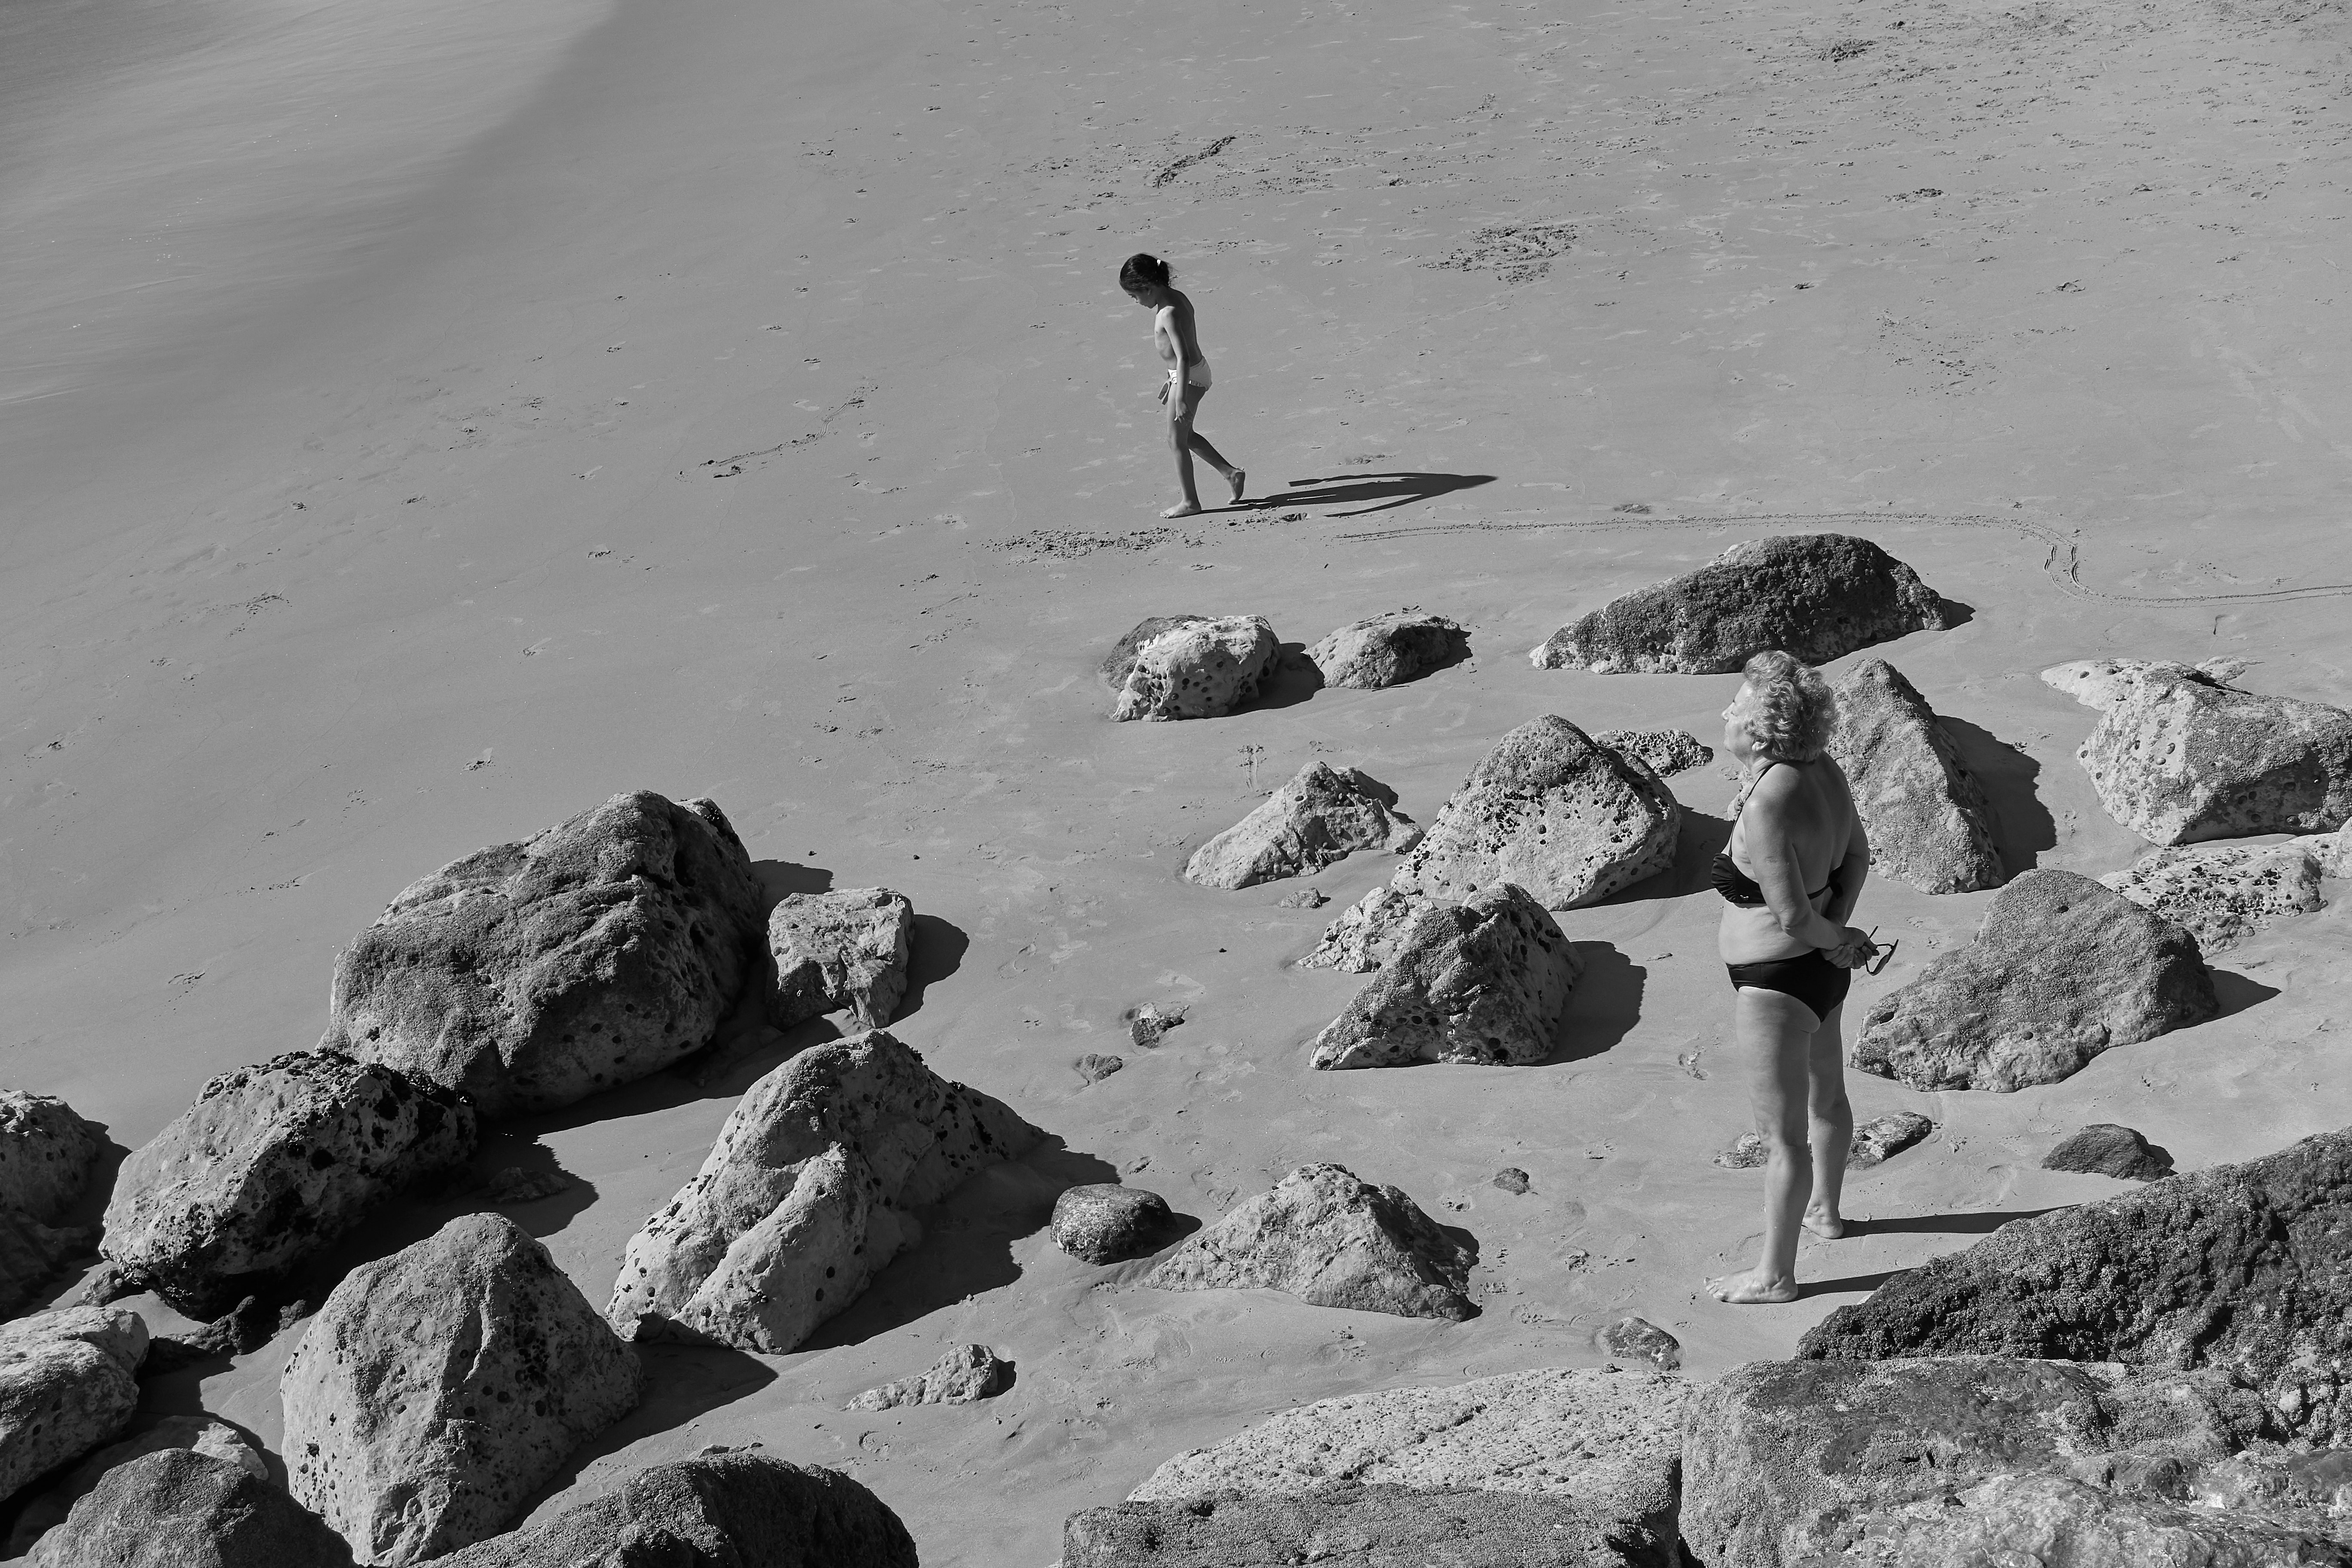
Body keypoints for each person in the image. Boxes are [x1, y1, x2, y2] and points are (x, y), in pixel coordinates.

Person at [1705, 650, 1876, 1306]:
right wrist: (1842, 935)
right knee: (1827, 1099)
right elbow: (1856, 856)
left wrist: (1840, 938)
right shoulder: (1822, 771)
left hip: (1773, 979)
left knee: (1782, 1138)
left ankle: (1775, 1276)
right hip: (1815, 973)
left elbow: (1793, 915)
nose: (1728, 711)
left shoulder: (1770, 799)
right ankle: (1826, 1214)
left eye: (1739, 705)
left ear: (1762, 728)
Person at [1118, 253, 1245, 518]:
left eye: (1135, 296)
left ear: (1148, 288)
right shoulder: (1177, 298)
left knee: (1175, 440)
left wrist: (1181, 397)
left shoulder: (1168, 313)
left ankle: (1190, 502)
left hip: (1188, 376)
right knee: (1185, 436)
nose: (1135, 302)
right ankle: (1230, 473)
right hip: (1189, 374)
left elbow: (1183, 355)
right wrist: (1172, 379)